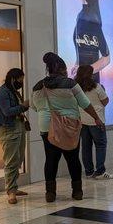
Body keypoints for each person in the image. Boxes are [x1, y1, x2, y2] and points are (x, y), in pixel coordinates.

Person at [31, 52, 104, 203]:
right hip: (68, 126)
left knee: (51, 160)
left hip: (47, 127)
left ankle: (50, 193)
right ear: (63, 69)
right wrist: (96, 118)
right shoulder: (70, 84)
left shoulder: (38, 86)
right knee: (72, 159)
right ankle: (77, 191)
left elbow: (34, 106)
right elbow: (85, 104)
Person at [0, 68, 29, 205]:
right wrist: (23, 106)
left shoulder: (12, 91)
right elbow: (7, 111)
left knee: (18, 158)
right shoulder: (3, 92)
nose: (21, 83)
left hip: (17, 126)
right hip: (8, 129)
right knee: (11, 160)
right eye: (20, 80)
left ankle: (14, 186)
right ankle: (11, 191)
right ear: (13, 79)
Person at [75, 65, 112, 179]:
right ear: (90, 74)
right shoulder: (97, 87)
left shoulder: (76, 88)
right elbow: (105, 101)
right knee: (100, 145)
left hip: (82, 120)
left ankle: (89, 172)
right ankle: (100, 171)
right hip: (97, 120)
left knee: (86, 147)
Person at [71, 0, 110, 82]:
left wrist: (84, 70)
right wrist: (77, 65)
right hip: (82, 82)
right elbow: (82, 49)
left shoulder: (90, 18)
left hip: (89, 84)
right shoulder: (81, 15)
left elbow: (106, 58)